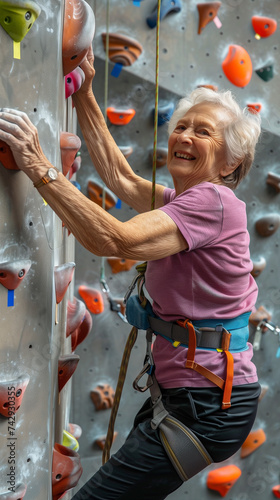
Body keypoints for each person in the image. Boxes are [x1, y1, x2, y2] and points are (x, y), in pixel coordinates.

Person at [0, 47, 263, 500]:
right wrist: (82, 90)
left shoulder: (211, 203)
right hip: (195, 398)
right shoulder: (190, 201)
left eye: (204, 132)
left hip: (205, 405)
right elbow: (119, 177)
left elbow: (114, 241)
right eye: (181, 126)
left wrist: (37, 164)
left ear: (230, 164)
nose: (185, 135)